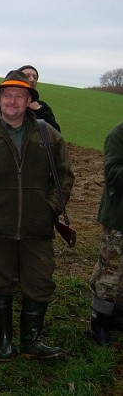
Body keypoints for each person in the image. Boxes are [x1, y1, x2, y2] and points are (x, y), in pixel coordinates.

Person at [0, 70, 74, 360]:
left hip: (37, 227)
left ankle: (31, 341)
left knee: (40, 282)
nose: (13, 101)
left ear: (29, 100)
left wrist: (49, 208)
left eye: (19, 96)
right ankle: (4, 342)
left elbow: (64, 176)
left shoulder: (48, 135)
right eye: (7, 95)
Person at [89, 121, 123, 346]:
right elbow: (112, 173)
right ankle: (98, 320)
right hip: (119, 218)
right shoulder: (119, 133)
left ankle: (116, 314)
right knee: (110, 271)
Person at [0, 65, 61, 132]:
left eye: (35, 77)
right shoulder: (3, 102)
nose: (32, 79)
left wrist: (38, 110)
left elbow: (55, 132)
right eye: (27, 76)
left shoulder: (42, 106)